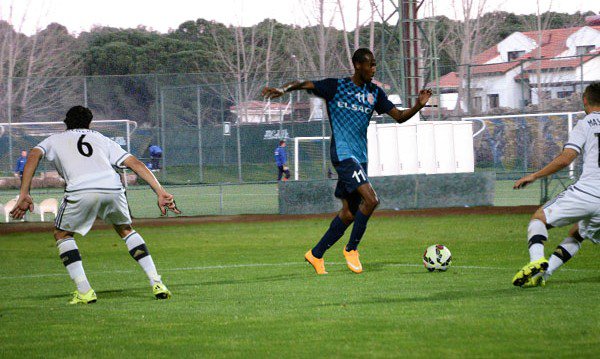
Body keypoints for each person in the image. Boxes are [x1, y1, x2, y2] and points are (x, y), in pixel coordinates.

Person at [262, 48, 432, 275]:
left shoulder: (375, 93)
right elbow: (306, 84)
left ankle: (316, 254)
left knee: (350, 213)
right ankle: (351, 249)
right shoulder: (336, 87)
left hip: (360, 158)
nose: (374, 69)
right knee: (371, 200)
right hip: (343, 155)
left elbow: (399, 117)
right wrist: (283, 90)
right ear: (357, 65)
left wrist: (419, 105)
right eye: (370, 64)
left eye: (374, 65)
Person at [10, 106, 181, 304]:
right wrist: (160, 191)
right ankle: (157, 282)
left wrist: (24, 193)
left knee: (62, 234)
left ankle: (84, 291)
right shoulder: (102, 139)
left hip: (81, 189)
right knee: (126, 230)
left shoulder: (54, 140)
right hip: (112, 187)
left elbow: (33, 154)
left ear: (66, 123)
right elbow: (136, 163)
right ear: (89, 123)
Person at [512, 82, 600, 288]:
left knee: (539, 218)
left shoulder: (586, 123)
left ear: (585, 100)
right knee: (577, 233)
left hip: (587, 192)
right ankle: (544, 274)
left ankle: (536, 261)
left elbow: (566, 158)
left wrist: (534, 176)